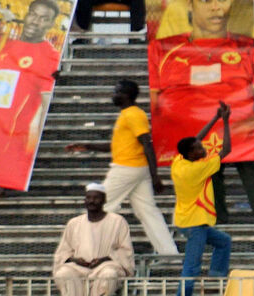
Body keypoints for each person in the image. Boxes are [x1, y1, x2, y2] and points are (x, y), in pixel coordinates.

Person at [148, 0, 254, 226]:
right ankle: (220, 217)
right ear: (189, 2)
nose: (216, 7)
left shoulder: (242, 44)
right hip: (198, 128)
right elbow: (157, 102)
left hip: (238, 124)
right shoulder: (165, 49)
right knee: (211, 174)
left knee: (248, 166)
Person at [65, 80, 177, 255]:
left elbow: (147, 143)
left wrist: (156, 176)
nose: (113, 95)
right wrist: (87, 146)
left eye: (116, 92)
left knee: (99, 206)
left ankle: (90, 252)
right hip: (136, 169)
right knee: (148, 213)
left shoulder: (133, 115)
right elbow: (117, 146)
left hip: (126, 169)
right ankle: (170, 254)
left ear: (126, 95)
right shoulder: (128, 114)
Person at [0, 0, 62, 190]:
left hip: (10, 140)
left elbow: (46, 104)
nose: (35, 21)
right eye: (33, 14)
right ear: (26, 15)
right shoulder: (3, 46)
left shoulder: (50, 56)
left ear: (51, 23)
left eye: (43, 18)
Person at [172, 103, 232, 296]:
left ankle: (215, 280)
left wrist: (214, 118)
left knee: (224, 242)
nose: (203, 148)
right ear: (191, 154)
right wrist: (225, 120)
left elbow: (195, 139)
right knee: (191, 267)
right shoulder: (196, 169)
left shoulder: (179, 161)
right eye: (199, 149)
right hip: (194, 223)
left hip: (187, 220)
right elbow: (227, 150)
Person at [52, 183, 135, 296]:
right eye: (89, 197)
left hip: (105, 266)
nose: (92, 201)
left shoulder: (118, 221)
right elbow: (63, 251)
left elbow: (126, 251)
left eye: (96, 198)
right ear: (85, 200)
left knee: (109, 275)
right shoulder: (74, 223)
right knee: (63, 274)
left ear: (104, 200)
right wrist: (75, 260)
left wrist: (105, 258)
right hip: (78, 268)